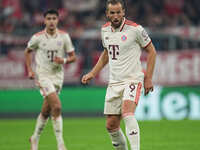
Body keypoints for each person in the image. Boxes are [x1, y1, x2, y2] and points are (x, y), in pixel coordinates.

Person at [81, 0, 156, 150]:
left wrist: (148, 78)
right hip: (114, 82)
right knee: (111, 125)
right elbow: (106, 54)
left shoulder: (135, 29)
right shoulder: (105, 30)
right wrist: (92, 73)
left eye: (118, 12)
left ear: (123, 12)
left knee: (127, 113)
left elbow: (152, 51)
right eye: (112, 13)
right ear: (107, 14)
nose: (115, 16)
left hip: (133, 79)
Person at [24, 9, 76, 150]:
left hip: (58, 77)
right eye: (49, 18)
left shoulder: (64, 37)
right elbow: (27, 51)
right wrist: (29, 69)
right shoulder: (38, 37)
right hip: (43, 76)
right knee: (57, 106)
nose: (51, 21)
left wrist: (64, 60)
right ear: (44, 20)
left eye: (54, 18)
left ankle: (34, 138)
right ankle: (61, 144)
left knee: (46, 111)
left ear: (58, 20)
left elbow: (73, 57)